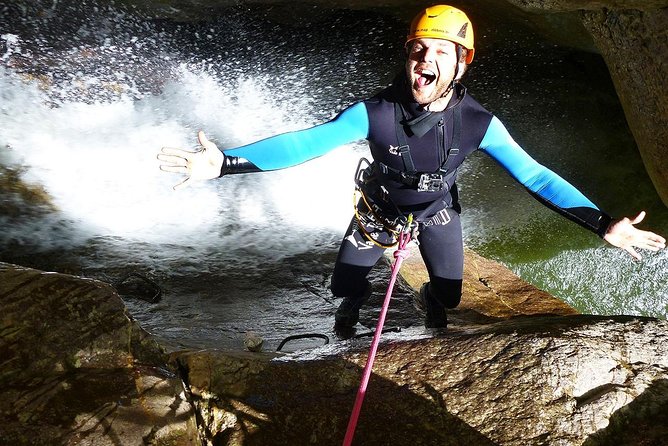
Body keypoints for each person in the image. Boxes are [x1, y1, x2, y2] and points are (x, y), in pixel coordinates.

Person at [158, 5, 665, 331]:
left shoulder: (478, 124)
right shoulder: (375, 112)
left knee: (448, 295)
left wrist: (602, 222)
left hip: (435, 210)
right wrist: (227, 164)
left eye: (440, 52)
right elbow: (305, 143)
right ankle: (350, 312)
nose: (425, 58)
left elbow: (533, 175)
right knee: (346, 287)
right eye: (417, 49)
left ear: (462, 64)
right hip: (378, 208)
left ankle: (431, 302)